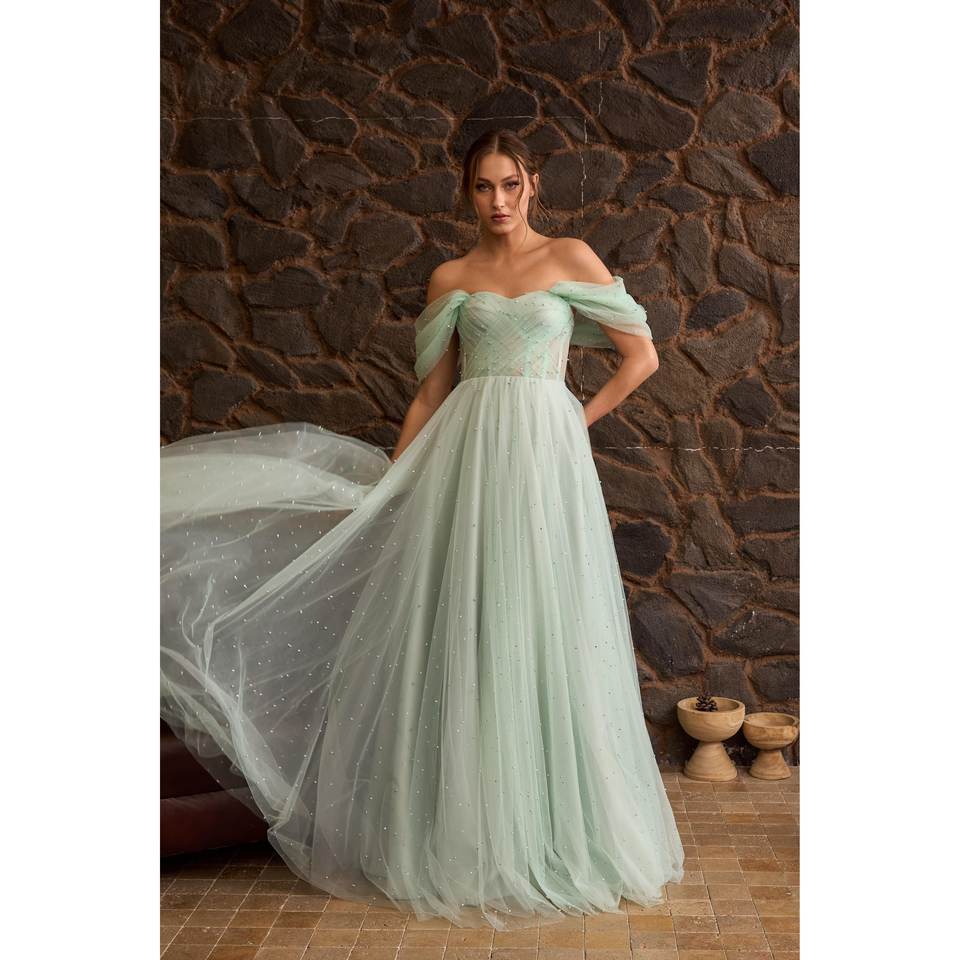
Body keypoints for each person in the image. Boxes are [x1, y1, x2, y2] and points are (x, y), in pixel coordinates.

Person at [160, 129, 684, 932]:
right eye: (483, 187)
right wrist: (393, 481)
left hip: (546, 462)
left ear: (533, 185)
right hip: (466, 462)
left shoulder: (570, 257)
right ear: (466, 192)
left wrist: (571, 421)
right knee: (468, 621)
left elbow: (640, 356)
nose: (499, 201)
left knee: (543, 617)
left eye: (510, 185)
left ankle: (552, 827)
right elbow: (432, 394)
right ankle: (469, 831)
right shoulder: (453, 277)